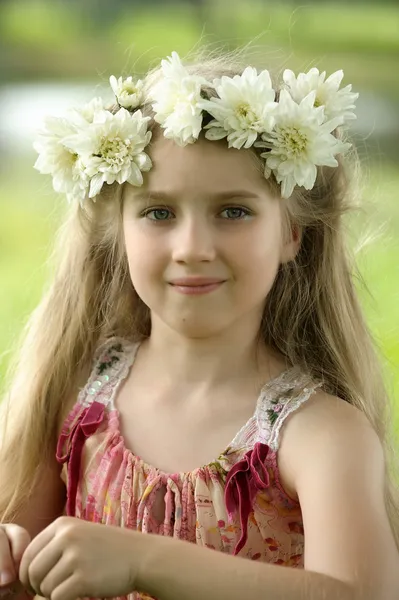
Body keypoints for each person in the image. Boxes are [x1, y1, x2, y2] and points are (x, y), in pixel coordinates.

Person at [0, 50, 398, 600]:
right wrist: (14, 556)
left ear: (291, 234)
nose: (192, 249)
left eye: (233, 211)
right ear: (117, 230)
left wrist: (145, 559)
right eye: (159, 213)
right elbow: (25, 562)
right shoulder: (73, 395)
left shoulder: (317, 435)